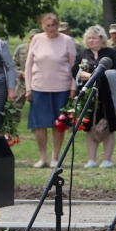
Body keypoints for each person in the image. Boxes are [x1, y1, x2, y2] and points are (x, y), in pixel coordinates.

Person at [25, 13, 77, 167]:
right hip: (39, 87)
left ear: (58, 25)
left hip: (61, 87)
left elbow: (75, 66)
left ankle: (55, 157)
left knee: (58, 123)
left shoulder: (67, 40)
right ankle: (43, 157)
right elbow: (28, 65)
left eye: (54, 25)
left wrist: (73, 87)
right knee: (39, 124)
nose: (51, 28)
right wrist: (28, 88)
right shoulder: (37, 39)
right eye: (48, 25)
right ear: (42, 26)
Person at [71, 25, 116, 168]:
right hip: (90, 96)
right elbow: (75, 72)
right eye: (88, 38)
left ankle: (107, 159)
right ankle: (91, 160)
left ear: (101, 38)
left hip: (108, 96)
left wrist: (98, 75)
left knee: (109, 126)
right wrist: (93, 76)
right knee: (89, 126)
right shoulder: (83, 54)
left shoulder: (111, 53)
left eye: (94, 38)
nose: (91, 41)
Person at [11, 28, 42, 123]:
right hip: (22, 83)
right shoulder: (21, 49)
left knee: (38, 106)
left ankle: (37, 126)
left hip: (38, 82)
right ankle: (13, 124)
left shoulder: (44, 50)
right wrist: (21, 73)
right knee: (16, 104)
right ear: (29, 38)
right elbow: (13, 65)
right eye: (33, 37)